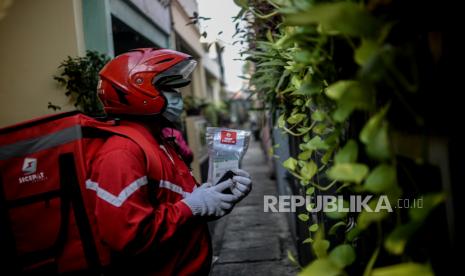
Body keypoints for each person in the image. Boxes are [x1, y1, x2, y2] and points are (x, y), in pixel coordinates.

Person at [88, 48, 252, 275]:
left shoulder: (160, 140)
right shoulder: (122, 152)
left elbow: (178, 204)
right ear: (139, 90)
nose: (178, 96)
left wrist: (217, 198)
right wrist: (192, 206)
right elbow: (129, 237)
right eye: (169, 88)